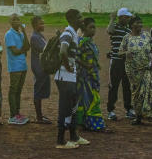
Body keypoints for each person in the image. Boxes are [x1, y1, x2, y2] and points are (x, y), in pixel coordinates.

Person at [54, 9, 88, 148]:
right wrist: (67, 66)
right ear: (73, 19)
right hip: (64, 76)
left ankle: (74, 136)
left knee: (73, 105)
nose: (82, 19)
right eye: (80, 17)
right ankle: (60, 140)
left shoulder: (73, 33)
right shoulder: (68, 33)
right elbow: (63, 51)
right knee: (65, 107)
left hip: (70, 76)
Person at [120, 16, 152, 126]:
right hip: (133, 70)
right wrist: (126, 53)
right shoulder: (126, 38)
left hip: (148, 69)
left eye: (141, 22)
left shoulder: (147, 35)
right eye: (138, 23)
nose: (140, 24)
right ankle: (138, 117)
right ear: (131, 25)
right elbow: (120, 52)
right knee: (137, 93)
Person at [75, 17, 107, 131]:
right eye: (91, 27)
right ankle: (96, 125)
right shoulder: (82, 42)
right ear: (84, 28)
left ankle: (82, 123)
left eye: (94, 27)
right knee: (92, 100)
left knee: (85, 100)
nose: (93, 30)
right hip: (85, 77)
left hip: (92, 75)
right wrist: (85, 65)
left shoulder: (90, 42)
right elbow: (75, 57)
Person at [106, 8, 134, 120]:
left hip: (126, 61)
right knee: (114, 86)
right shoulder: (115, 27)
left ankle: (128, 109)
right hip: (116, 61)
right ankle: (111, 110)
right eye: (126, 17)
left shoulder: (128, 31)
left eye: (128, 17)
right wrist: (112, 19)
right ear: (121, 17)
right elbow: (109, 30)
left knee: (127, 86)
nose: (128, 19)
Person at [4, 14, 31, 125]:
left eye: (18, 19)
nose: (16, 21)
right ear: (10, 22)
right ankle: (12, 115)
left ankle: (17, 114)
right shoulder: (9, 34)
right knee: (13, 90)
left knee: (18, 91)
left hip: (22, 66)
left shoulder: (20, 33)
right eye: (14, 20)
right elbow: (15, 51)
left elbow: (28, 47)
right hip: (15, 66)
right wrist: (23, 50)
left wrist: (24, 31)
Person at [29, 16, 52, 124]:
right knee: (38, 91)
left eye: (43, 23)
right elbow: (46, 50)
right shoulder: (34, 37)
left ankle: (40, 116)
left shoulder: (39, 35)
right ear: (34, 25)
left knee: (40, 90)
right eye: (40, 24)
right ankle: (39, 117)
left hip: (42, 66)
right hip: (39, 66)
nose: (43, 25)